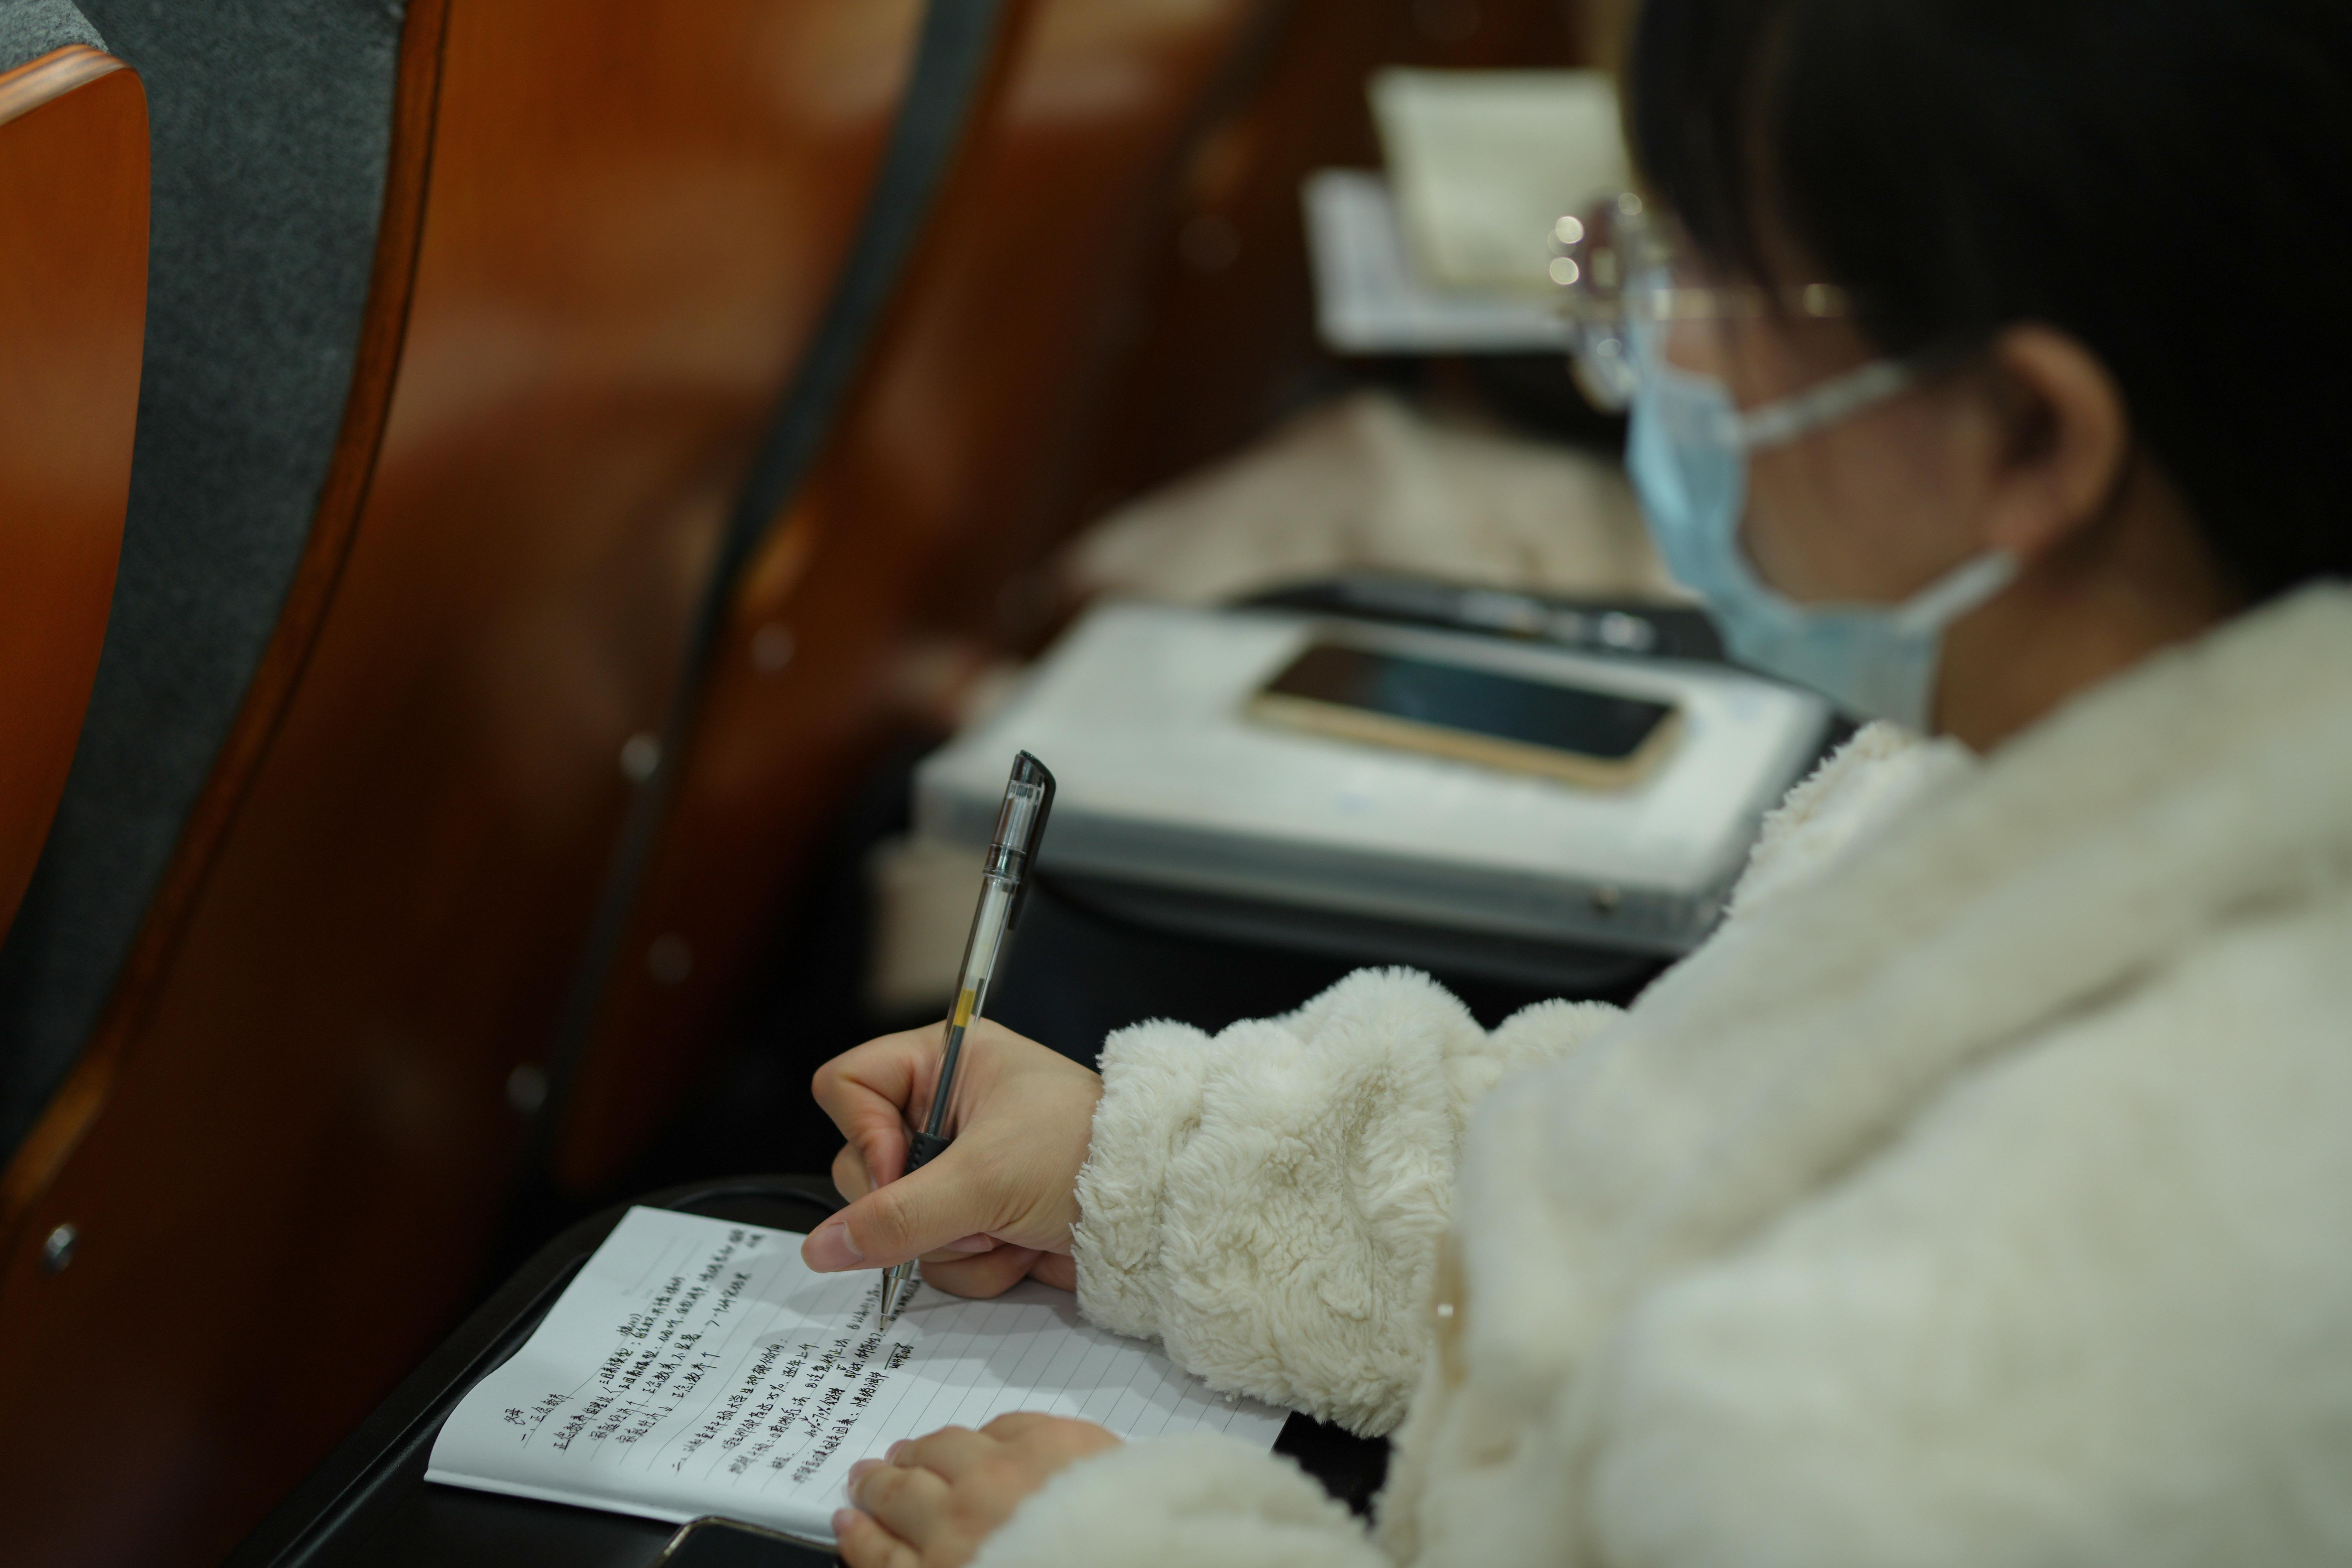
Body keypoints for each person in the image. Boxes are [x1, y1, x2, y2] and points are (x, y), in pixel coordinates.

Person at [800, 0, 2352, 1562]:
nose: (1655, 348)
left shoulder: (2140, 1252)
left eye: (1724, 278)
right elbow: (1685, 1166)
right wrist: (1140, 1170)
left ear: (2028, 439)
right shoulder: (2038, 744)